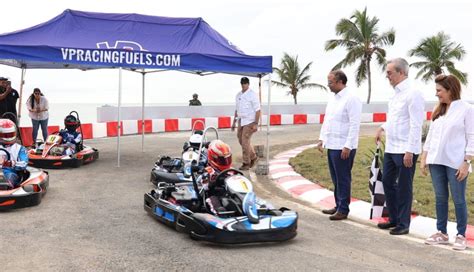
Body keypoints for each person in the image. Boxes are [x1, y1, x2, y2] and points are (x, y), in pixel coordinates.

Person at [420, 75, 473, 251]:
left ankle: (461, 235)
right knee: (440, 198)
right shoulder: (439, 110)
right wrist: (424, 157)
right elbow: (431, 136)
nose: (437, 94)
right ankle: (441, 233)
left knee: (458, 199)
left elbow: (472, 137)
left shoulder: (467, 109)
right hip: (436, 161)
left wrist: (467, 162)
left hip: (456, 162)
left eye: (439, 91)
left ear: (450, 89)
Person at [375, 58, 425, 235]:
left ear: (402, 72)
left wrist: (410, 150)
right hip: (391, 147)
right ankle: (394, 219)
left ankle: (403, 224)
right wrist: (382, 127)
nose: (387, 76)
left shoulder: (413, 93)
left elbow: (416, 124)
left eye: (390, 72)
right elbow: (394, 119)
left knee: (404, 187)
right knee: (387, 182)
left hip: (405, 150)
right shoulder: (395, 94)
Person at [317, 70, 362, 220]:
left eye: (330, 82)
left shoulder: (351, 99)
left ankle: (343, 209)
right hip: (332, 144)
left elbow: (355, 124)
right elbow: (327, 120)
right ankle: (338, 204)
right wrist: (322, 139)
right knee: (335, 178)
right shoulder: (333, 99)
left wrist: (348, 146)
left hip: (343, 146)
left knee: (343, 178)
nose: (328, 85)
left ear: (340, 82)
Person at [231, 77, 260, 170]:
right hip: (241, 120)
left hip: (250, 121)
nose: (243, 85)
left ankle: (246, 163)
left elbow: (258, 110)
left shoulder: (252, 95)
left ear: (248, 84)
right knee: (241, 140)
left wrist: (256, 123)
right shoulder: (238, 95)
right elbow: (237, 109)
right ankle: (254, 157)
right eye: (242, 83)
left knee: (244, 141)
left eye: (245, 83)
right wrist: (234, 122)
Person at [201, 139, 233, 215]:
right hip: (215, 194)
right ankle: (220, 213)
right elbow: (204, 187)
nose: (225, 162)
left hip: (230, 194)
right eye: (222, 160)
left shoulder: (231, 170)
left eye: (227, 159)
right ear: (212, 158)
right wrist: (214, 182)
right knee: (213, 199)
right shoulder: (208, 171)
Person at [0, 119, 28, 189]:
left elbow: (24, 163)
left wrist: (10, 163)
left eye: (10, 134)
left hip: (9, 172)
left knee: (9, 176)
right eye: (5, 135)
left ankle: (6, 187)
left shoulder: (20, 148)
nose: (8, 137)